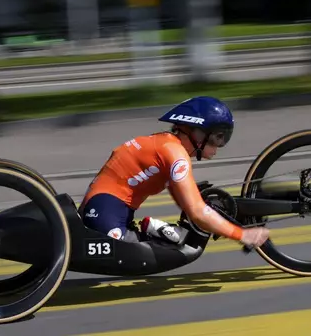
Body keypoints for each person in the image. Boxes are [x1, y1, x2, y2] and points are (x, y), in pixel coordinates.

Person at [78, 96, 270, 250]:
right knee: (137, 251)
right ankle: (154, 228)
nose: (219, 146)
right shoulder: (175, 154)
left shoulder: (166, 144)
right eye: (218, 137)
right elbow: (196, 212)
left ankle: (156, 229)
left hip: (110, 208)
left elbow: (186, 204)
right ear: (197, 132)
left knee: (176, 239)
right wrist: (242, 235)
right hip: (103, 212)